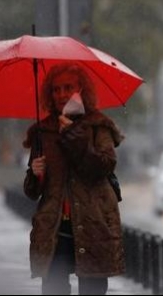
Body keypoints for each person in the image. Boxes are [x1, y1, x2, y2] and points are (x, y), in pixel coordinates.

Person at [23, 62, 125, 295]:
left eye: (68, 88)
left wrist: (72, 135)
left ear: (82, 89)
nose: (61, 94)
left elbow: (104, 166)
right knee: (54, 289)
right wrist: (35, 174)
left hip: (93, 224)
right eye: (56, 89)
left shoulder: (98, 126)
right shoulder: (43, 131)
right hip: (54, 228)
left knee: (92, 289)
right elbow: (31, 191)